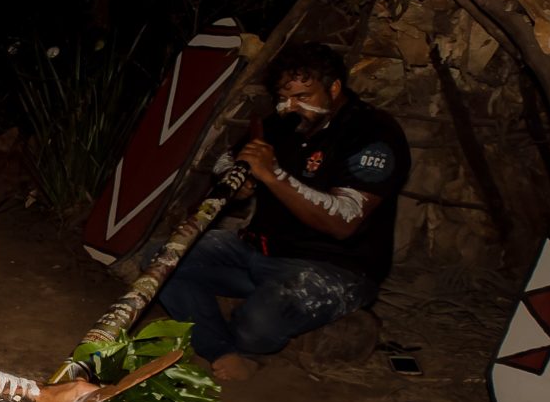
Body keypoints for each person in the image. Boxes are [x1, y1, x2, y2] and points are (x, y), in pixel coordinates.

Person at [158, 43, 412, 380]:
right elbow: (229, 159)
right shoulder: (283, 122)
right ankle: (221, 349)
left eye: (304, 95)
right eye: (285, 96)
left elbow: (343, 221)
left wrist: (272, 175)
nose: (292, 106)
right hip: (258, 252)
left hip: (335, 268)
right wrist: (237, 179)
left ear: (334, 88)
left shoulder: (373, 133)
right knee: (165, 258)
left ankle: (251, 339)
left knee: (259, 323)